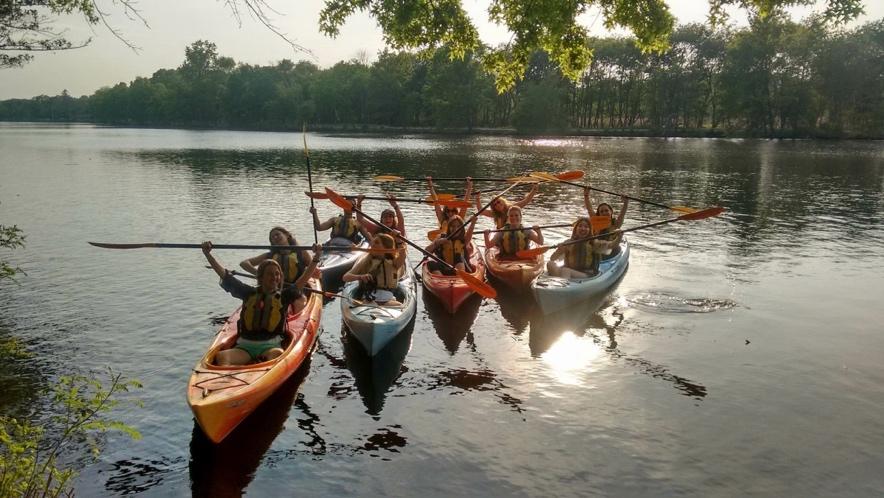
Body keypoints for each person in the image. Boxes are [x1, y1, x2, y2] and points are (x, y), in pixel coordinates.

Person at [203, 241, 321, 366]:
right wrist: (207, 254)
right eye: (269, 274)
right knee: (222, 356)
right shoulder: (247, 293)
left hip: (270, 347)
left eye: (277, 274)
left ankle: (260, 368)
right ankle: (227, 380)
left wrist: (317, 257)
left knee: (277, 354)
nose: (274, 277)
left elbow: (304, 278)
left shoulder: (284, 296)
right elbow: (224, 275)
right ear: (261, 277)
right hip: (244, 347)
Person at [342, 233, 406, 306]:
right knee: (371, 305)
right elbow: (345, 277)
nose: (372, 245)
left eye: (377, 243)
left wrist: (399, 241)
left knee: (398, 306)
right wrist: (360, 277)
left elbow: (402, 253)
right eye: (372, 242)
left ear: (386, 247)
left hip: (388, 297)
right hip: (369, 297)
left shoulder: (394, 262)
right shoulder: (365, 261)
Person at [239, 227, 313, 285]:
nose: (275, 237)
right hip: (275, 288)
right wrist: (259, 274)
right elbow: (244, 263)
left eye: (277, 234)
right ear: (273, 243)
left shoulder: (301, 252)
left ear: (286, 235)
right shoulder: (269, 256)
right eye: (272, 237)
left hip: (298, 287)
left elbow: (313, 268)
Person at [546, 217, 615, 278]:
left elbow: (612, 245)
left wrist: (619, 235)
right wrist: (559, 250)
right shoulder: (569, 242)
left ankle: (562, 288)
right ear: (575, 229)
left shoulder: (593, 243)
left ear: (590, 230)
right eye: (580, 226)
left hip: (587, 273)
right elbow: (553, 258)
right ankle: (559, 282)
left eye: (586, 227)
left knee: (566, 270)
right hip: (568, 272)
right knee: (550, 264)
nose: (583, 228)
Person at [584, 186, 628, 257]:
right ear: (599, 214)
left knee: (617, 248)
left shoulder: (616, 224)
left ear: (611, 212)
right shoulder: (596, 221)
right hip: (596, 248)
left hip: (609, 251)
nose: (604, 213)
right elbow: (589, 208)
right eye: (602, 211)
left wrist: (625, 203)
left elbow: (622, 213)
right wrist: (586, 195)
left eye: (606, 210)